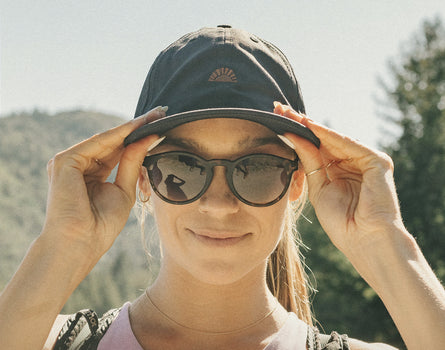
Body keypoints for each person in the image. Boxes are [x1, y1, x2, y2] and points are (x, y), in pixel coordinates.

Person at [0, 25, 444, 350]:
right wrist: (63, 245)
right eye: (182, 166)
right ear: (142, 180)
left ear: (296, 184)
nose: (218, 203)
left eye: (257, 168)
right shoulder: (48, 341)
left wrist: (382, 241)